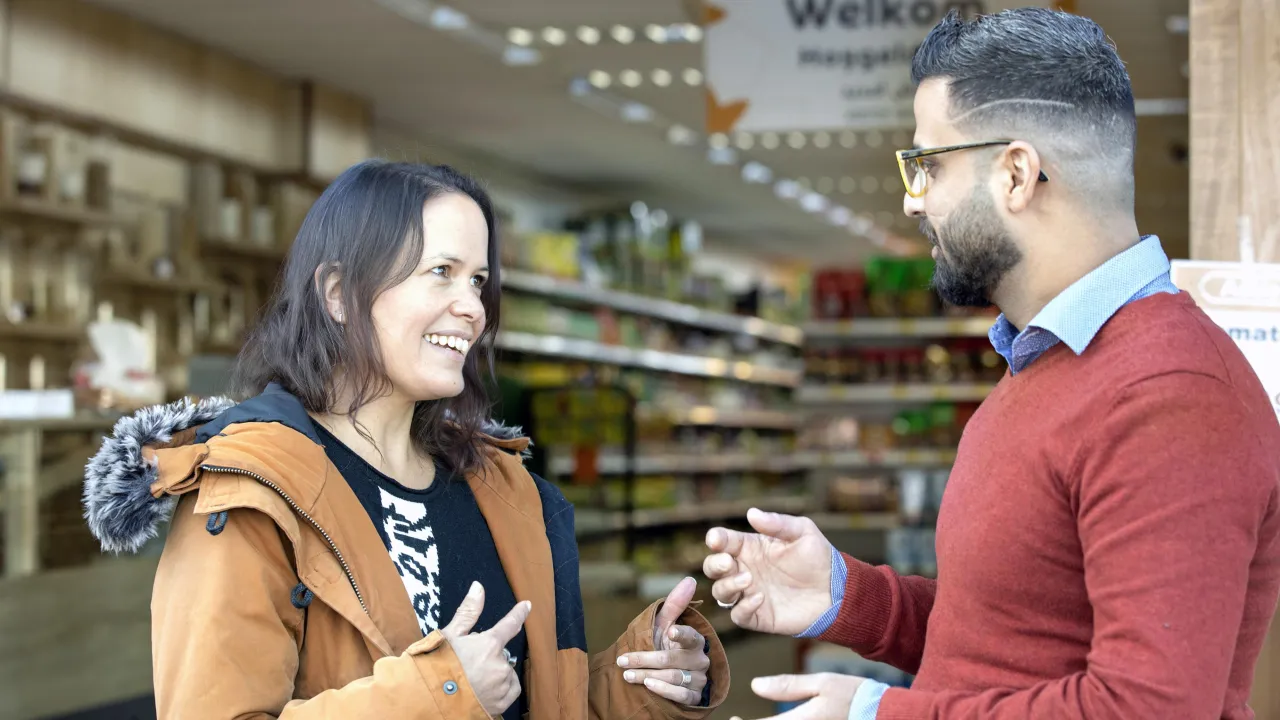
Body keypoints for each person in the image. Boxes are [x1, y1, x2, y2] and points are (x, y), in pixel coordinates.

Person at [704, 8, 1280, 720]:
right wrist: (844, 596)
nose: (913, 202)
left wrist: (877, 714)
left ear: (1016, 174)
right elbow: (1006, 639)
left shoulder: (1171, 395)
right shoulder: (1043, 363)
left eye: (929, 166)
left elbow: (1146, 707)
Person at [82, 160, 730, 719]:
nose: (472, 307)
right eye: (441, 271)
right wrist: (444, 692)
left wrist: (643, 678)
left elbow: (536, 702)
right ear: (339, 294)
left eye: (478, 280)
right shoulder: (250, 494)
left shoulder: (504, 490)